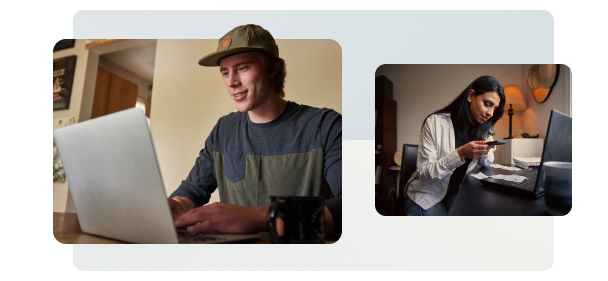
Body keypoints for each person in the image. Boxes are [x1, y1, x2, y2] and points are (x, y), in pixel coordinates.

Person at [166, 24, 342, 238]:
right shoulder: (224, 129)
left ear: (273, 68)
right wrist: (178, 204)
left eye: (242, 68)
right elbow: (193, 190)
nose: (231, 81)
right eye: (225, 72)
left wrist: (258, 217)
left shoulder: (326, 125)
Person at [404, 75, 506, 216]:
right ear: (471, 95)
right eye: (487, 104)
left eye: (495, 108)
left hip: (458, 190)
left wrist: (486, 149)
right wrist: (461, 153)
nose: (490, 113)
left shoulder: (483, 128)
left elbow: (487, 163)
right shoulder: (435, 122)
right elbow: (425, 175)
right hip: (427, 192)